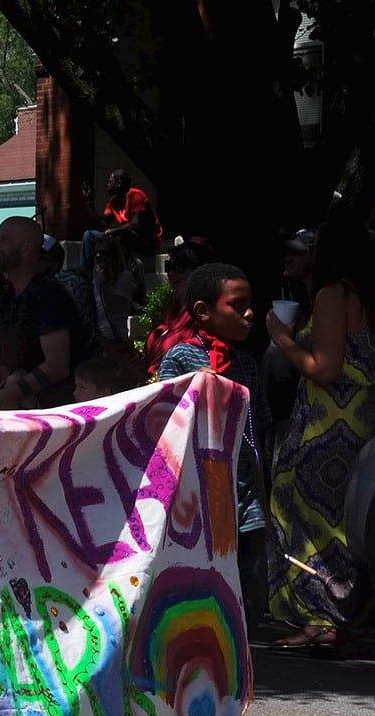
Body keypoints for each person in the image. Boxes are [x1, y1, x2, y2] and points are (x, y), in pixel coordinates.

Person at [264, 218, 375, 651]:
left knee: (306, 511)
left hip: (326, 422)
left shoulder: (332, 295)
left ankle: (320, 617)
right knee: (339, 517)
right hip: (360, 418)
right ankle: (346, 611)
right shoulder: (373, 299)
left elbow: (324, 367)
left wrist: (282, 338)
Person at [156, 262, 268, 620]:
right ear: (203, 312)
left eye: (250, 304)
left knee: (246, 572)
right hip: (201, 491)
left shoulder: (248, 365)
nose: (249, 313)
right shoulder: (182, 357)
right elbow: (166, 419)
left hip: (245, 491)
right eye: (237, 305)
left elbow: (257, 427)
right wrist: (196, 388)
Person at [0, 216, 87, 406]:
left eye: (3, 240)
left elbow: (57, 367)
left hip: (54, 409)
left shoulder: (48, 295)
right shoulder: (7, 297)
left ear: (26, 248)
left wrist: (0, 397)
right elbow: (8, 364)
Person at [143, 239, 219, 377]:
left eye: (180, 266)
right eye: (169, 266)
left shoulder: (205, 316)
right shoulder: (170, 314)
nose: (171, 273)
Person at [86, 168, 161, 268]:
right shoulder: (113, 202)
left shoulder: (136, 195)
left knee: (119, 236)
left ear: (119, 183)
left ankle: (119, 273)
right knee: (89, 235)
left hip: (146, 242)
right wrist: (89, 200)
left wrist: (113, 231)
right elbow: (100, 224)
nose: (107, 185)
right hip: (127, 238)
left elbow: (135, 224)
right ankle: (86, 274)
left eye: (110, 182)